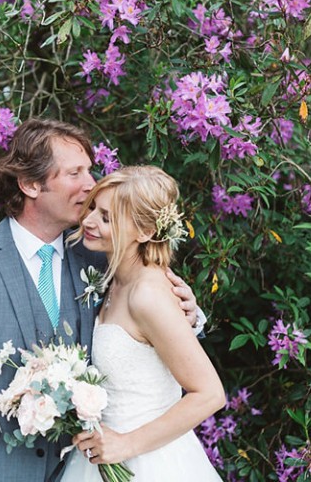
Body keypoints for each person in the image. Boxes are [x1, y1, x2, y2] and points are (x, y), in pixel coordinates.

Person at [0, 118, 202, 482]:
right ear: (31, 184)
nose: (90, 185)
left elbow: (144, 329)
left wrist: (190, 314)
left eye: (90, 171)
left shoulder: (104, 255)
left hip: (86, 468)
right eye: (75, 173)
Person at [60, 166, 226, 481]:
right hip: (100, 458)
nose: (90, 220)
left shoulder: (147, 293)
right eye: (93, 207)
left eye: (107, 218)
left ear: (146, 231)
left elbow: (210, 393)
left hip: (150, 463)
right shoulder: (114, 279)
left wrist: (126, 444)